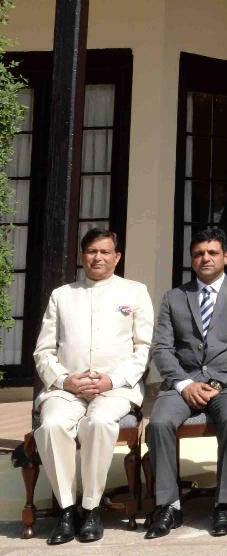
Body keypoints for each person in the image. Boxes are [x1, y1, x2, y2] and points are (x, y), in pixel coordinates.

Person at [32, 229, 153, 545]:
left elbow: (144, 348)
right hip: (67, 388)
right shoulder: (62, 295)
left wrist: (113, 380)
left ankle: (91, 508)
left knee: (99, 423)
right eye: (91, 251)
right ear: (82, 255)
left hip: (115, 388)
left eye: (105, 252)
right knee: (51, 425)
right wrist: (64, 380)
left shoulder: (135, 292)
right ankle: (67, 509)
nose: (98, 257)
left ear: (117, 257)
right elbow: (43, 351)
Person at [146, 226, 227, 538]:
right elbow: (162, 348)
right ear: (191, 259)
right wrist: (184, 384)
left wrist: (218, 383)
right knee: (159, 424)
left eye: (212, 252)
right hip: (183, 382)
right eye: (198, 254)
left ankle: (224, 504)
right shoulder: (174, 297)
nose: (205, 258)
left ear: (226, 257)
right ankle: (169, 505)